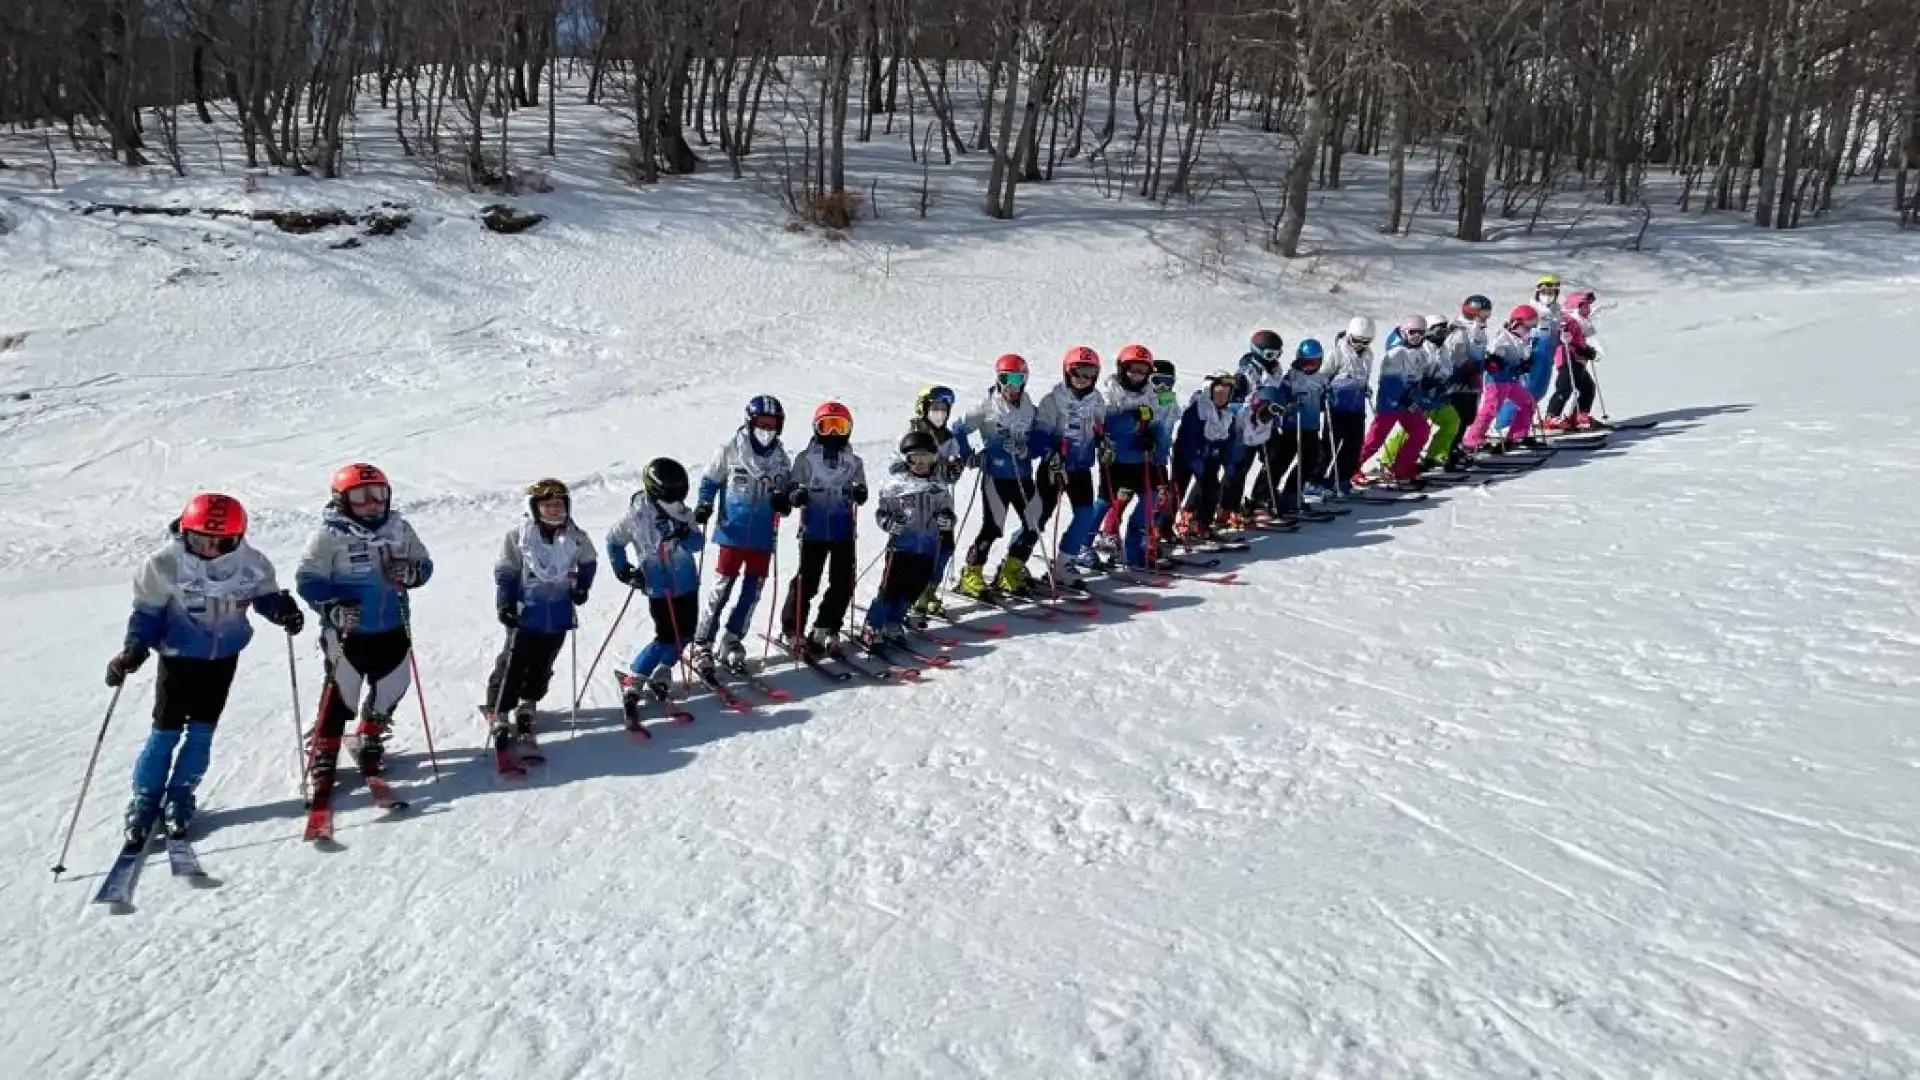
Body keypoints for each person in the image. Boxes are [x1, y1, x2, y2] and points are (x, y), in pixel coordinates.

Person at [106, 493, 303, 844]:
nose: (210, 549)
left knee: (201, 731)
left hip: (223, 657)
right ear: (185, 532)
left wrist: (282, 609)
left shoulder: (251, 564)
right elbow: (147, 612)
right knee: (165, 729)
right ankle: (146, 797)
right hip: (179, 657)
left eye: (221, 543)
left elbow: (264, 595)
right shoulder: (165, 564)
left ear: (237, 538)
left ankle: (181, 793)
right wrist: (133, 650)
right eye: (200, 541)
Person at [294, 463, 433, 802]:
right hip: (348, 631)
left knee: (394, 684)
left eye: (379, 495)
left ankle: (371, 733)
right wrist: (332, 607)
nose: (372, 503)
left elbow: (424, 564)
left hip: (393, 623)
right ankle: (325, 750)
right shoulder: (329, 535)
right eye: (360, 497)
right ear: (342, 501)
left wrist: (412, 572)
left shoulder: (399, 528)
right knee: (343, 692)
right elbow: (307, 580)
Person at [486, 478, 595, 754]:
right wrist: (505, 604)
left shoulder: (575, 537)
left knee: (543, 664)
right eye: (547, 507)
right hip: (526, 613)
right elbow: (506, 573)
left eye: (559, 505)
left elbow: (588, 562)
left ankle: (528, 702)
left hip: (557, 614)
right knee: (513, 662)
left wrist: (582, 586)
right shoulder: (518, 537)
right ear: (534, 509)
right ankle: (499, 709)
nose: (555, 512)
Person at [692, 395, 792, 674]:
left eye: (772, 424)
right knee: (721, 590)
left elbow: (785, 494)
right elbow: (710, 481)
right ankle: (703, 643)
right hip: (732, 533)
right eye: (762, 423)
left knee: (752, 591)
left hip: (762, 536)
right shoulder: (730, 450)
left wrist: (785, 502)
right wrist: (704, 504)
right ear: (750, 422)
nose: (767, 429)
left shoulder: (782, 460)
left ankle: (732, 638)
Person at [606, 458, 704, 716]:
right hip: (659, 586)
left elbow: (697, 544)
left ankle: (663, 669)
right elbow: (613, 541)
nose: (676, 499)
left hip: (687, 583)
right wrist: (623, 570)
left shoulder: (683, 512)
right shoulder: (637, 516)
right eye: (671, 493)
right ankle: (636, 676)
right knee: (666, 636)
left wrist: (686, 534)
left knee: (686, 632)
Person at [778, 401, 869, 656]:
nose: (833, 434)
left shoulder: (853, 461)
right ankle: (792, 629)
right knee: (807, 581)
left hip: (843, 530)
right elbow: (793, 485)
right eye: (827, 427)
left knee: (843, 581)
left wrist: (859, 492)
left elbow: (859, 487)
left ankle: (827, 626)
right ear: (817, 428)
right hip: (814, 530)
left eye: (839, 427)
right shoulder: (806, 459)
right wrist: (797, 494)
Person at [951, 354, 1041, 598]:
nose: (1011, 385)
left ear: (1025, 380)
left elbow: (1040, 439)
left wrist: (1028, 449)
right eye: (1005, 378)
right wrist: (971, 455)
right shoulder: (986, 407)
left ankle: (1010, 572)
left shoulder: (1030, 409)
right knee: (993, 527)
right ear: (998, 379)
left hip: (1022, 476)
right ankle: (971, 573)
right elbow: (957, 429)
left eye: (1017, 379)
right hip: (996, 477)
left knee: (1034, 525)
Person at [859, 432, 957, 647]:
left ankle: (894, 622)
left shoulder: (937, 486)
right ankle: (873, 625)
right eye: (916, 460)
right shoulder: (895, 487)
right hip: (902, 547)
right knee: (891, 587)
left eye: (927, 459)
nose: (922, 465)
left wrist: (947, 519)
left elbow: (948, 510)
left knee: (915, 586)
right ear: (906, 461)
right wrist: (889, 524)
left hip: (928, 547)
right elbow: (881, 514)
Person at [1029, 346, 1108, 578]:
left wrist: (1103, 441)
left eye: (1088, 374)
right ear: (1066, 372)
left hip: (1081, 468)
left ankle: (1065, 562)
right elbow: (1038, 436)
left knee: (1084, 515)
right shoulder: (1053, 401)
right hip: (1054, 469)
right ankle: (1014, 560)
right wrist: (1050, 449)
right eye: (1077, 373)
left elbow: (1100, 428)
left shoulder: (1097, 402)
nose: (1082, 380)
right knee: (1039, 516)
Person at [1093, 345, 1175, 570]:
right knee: (1104, 503)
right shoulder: (1111, 393)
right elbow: (1106, 424)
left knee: (1150, 501)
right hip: (1116, 459)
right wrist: (1132, 418)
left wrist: (1159, 444)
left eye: (1142, 371)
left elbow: (1159, 422)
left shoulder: (1151, 394)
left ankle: (1133, 551)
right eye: (1132, 370)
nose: (1137, 375)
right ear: (1122, 369)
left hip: (1142, 459)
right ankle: (1081, 547)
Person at [892, 386, 967, 624]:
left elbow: (951, 474)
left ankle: (927, 592)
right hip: (916, 506)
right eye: (934, 409)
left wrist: (954, 469)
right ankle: (905, 598)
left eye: (944, 410)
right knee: (917, 553)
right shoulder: (911, 435)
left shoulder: (948, 438)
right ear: (923, 409)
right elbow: (895, 468)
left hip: (941, 504)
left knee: (944, 549)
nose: (939, 414)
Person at [1354, 316, 1434, 487]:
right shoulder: (1396, 353)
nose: (1416, 337)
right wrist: (1400, 396)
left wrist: (1422, 389)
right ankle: (1352, 469)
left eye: (1420, 334)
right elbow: (1389, 381)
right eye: (1412, 333)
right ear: (1405, 332)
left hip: (1407, 402)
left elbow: (1419, 378)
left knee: (1421, 430)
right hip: (1390, 403)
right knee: (1376, 438)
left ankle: (1402, 468)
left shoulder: (1422, 352)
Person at [1252, 339, 1329, 514]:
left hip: (1310, 426)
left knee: (1310, 461)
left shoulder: (1321, 378)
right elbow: (1279, 399)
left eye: (1314, 363)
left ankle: (1292, 493)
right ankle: (1261, 495)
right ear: (1298, 360)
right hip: (1292, 426)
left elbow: (1323, 400)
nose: (1309, 367)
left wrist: (1328, 399)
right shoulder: (1291, 378)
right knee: (1280, 461)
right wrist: (1289, 405)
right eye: (1306, 363)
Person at [1462, 305, 1542, 454]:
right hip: (1497, 381)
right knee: (1491, 408)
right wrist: (1497, 362)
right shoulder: (1504, 337)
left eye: (1532, 326)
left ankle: (1518, 435)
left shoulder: (1524, 340)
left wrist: (1524, 364)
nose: (1530, 329)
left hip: (1511, 380)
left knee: (1528, 402)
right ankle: (1472, 439)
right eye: (1527, 326)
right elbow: (1491, 356)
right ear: (1516, 324)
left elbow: (1523, 358)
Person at [1171, 371, 1238, 541]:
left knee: (1211, 490)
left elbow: (1227, 440)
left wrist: (1229, 460)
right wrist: (1194, 457)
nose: (1222, 398)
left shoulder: (1227, 415)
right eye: (1218, 393)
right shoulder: (1197, 411)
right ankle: (1163, 526)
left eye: (1226, 394)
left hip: (1211, 457)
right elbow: (1187, 437)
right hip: (1188, 457)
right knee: (1177, 490)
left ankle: (1202, 524)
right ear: (1209, 391)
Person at [1321, 316, 1375, 495]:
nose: (1360, 345)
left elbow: (1364, 377)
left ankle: (1341, 479)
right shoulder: (1336, 353)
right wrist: (1326, 392)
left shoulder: (1368, 356)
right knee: (1330, 446)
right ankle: (1314, 480)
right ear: (1349, 336)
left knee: (1353, 446)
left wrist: (1365, 388)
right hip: (1336, 408)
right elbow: (1322, 377)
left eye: (1365, 342)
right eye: (1356, 341)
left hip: (1356, 408)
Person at [1219, 382, 1278, 529]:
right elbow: (1247, 437)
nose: (1266, 416)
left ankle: (1234, 508)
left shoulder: (1266, 418)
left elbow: (1261, 437)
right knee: (1234, 473)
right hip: (1230, 442)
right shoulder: (1243, 413)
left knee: (1241, 471)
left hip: (1243, 443)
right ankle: (1224, 509)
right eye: (1264, 411)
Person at [1443, 295, 1493, 468]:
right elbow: (1454, 354)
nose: (1486, 317)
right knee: (1459, 416)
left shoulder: (1479, 329)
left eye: (1488, 313)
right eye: (1483, 312)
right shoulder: (1458, 328)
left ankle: (1456, 446)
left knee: (1469, 416)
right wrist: (1466, 367)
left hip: (1473, 379)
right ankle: (1448, 451)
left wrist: (1488, 361)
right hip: (1458, 380)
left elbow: (1479, 351)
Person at [1546, 290, 1601, 429]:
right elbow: (1564, 338)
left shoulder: (1579, 322)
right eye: (1584, 306)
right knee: (1565, 388)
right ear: (1576, 306)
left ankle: (1580, 415)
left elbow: (1578, 341)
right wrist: (1581, 349)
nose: (1587, 309)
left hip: (1578, 360)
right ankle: (1551, 416)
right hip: (1567, 358)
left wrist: (1587, 350)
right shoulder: (1568, 320)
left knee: (1588, 387)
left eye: (1588, 306)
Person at [1233, 330, 1285, 403]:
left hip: (1275, 410)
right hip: (1253, 412)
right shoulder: (1244, 375)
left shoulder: (1276, 369)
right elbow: (1236, 405)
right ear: (1257, 351)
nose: (1275, 358)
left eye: (1278, 354)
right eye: (1270, 355)